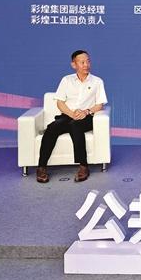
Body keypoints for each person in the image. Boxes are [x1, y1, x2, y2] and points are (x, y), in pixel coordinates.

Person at [36, 50, 107, 184]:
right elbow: (60, 102)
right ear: (74, 65)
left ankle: (83, 166)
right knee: (52, 127)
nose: (86, 65)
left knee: (75, 125)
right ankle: (41, 167)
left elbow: (100, 104)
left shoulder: (97, 81)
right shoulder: (66, 80)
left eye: (88, 61)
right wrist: (71, 114)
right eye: (82, 62)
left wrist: (86, 111)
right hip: (68, 115)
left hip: (87, 117)